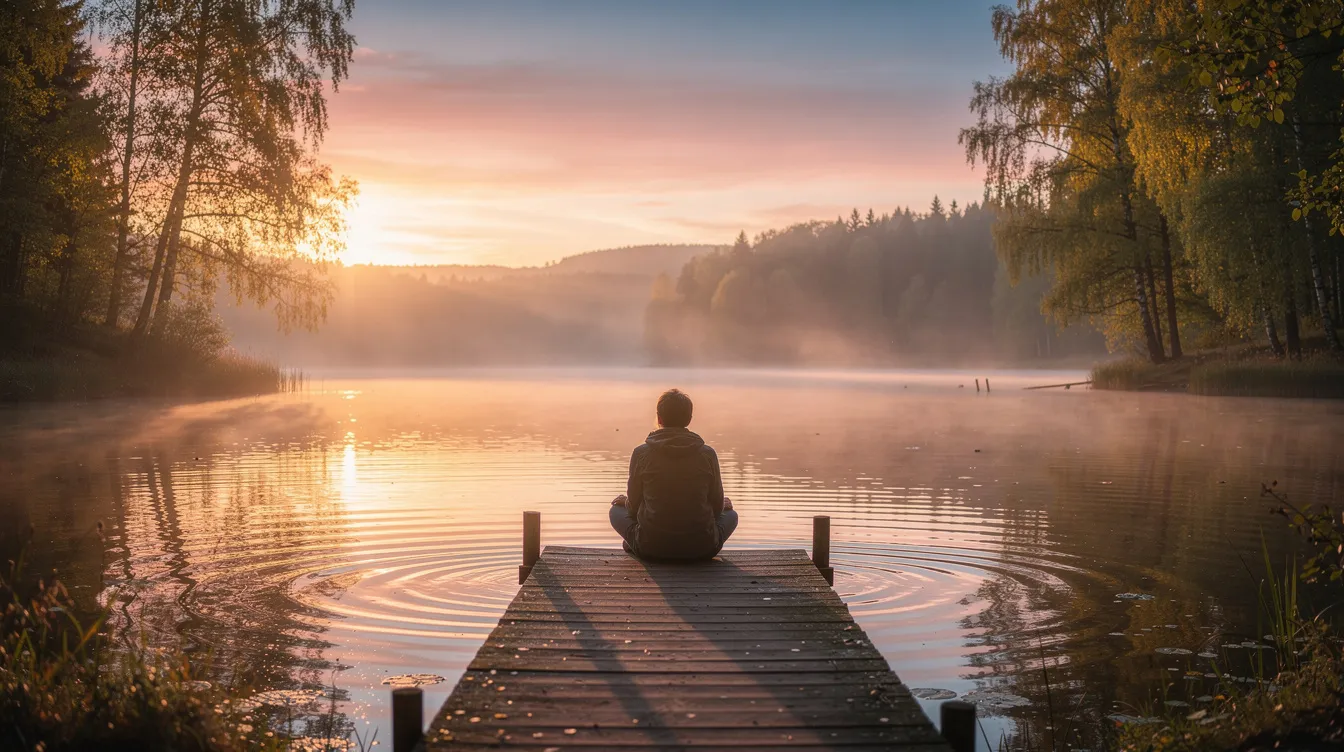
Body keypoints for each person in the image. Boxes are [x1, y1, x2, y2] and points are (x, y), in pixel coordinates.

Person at [609, 389, 737, 560]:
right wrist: (723, 506)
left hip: (651, 547)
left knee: (615, 511)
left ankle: (635, 541)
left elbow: (632, 509)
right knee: (731, 515)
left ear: (659, 418)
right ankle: (638, 541)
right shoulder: (707, 454)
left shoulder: (641, 453)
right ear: (689, 419)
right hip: (702, 548)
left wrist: (627, 502)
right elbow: (715, 508)